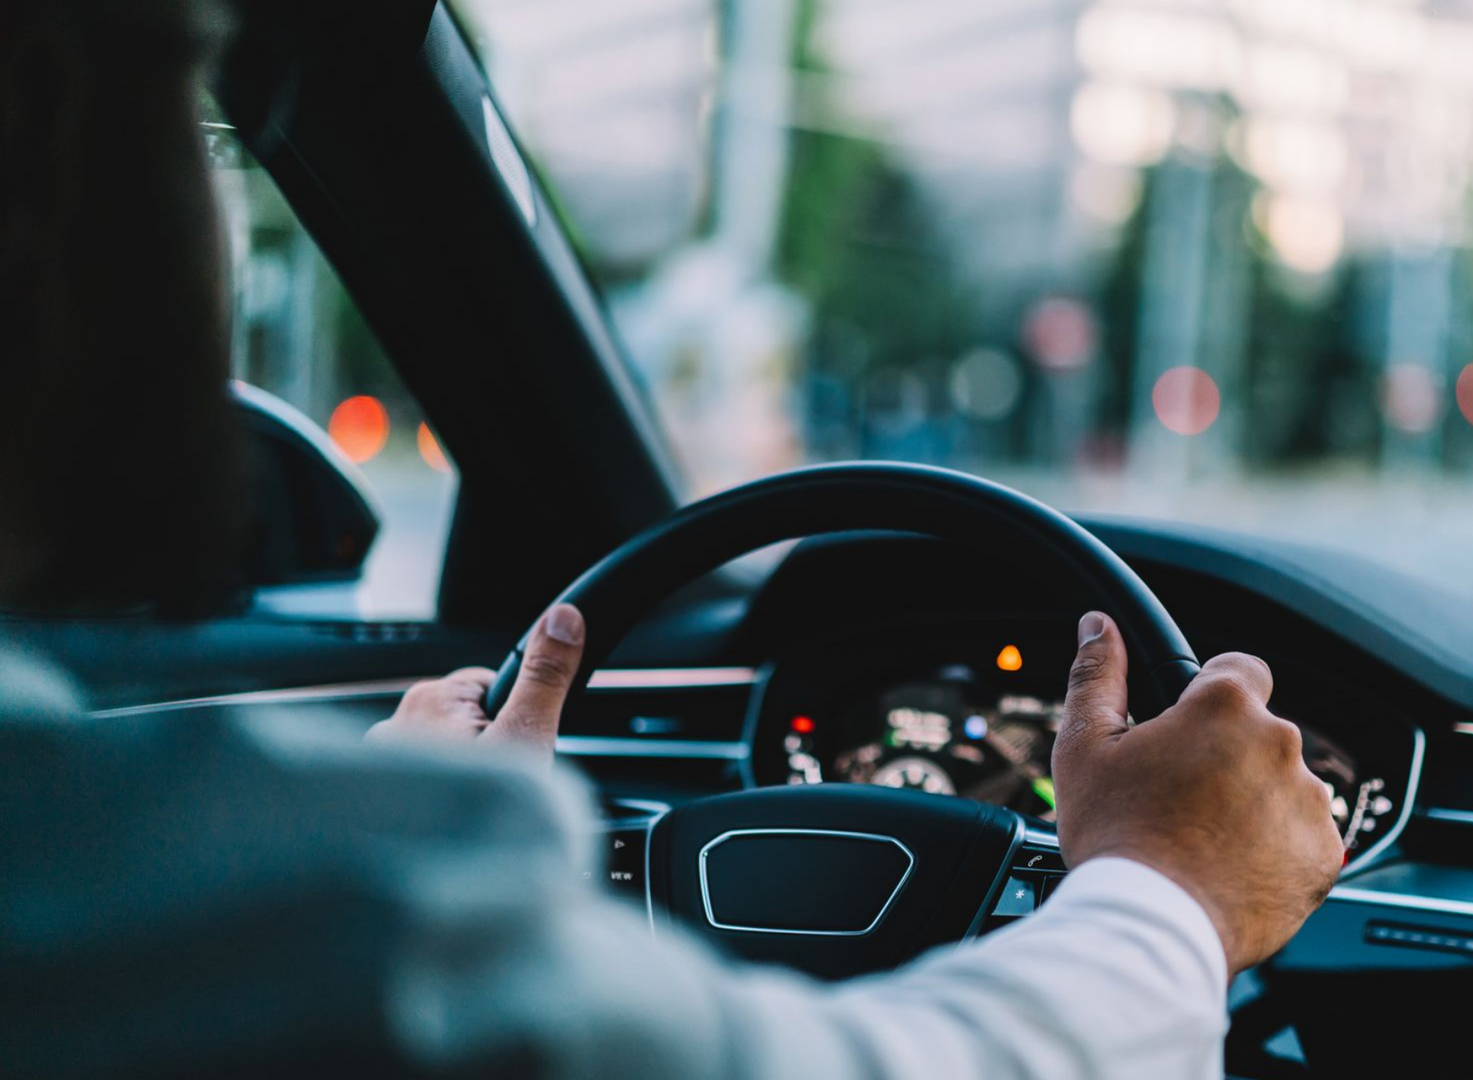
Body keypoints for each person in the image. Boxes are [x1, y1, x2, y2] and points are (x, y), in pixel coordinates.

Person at [0, 2, 1346, 1077]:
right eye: (190, 116)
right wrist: (1171, 891)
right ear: (61, 182)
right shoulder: (263, 911)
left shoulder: (135, 889)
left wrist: (371, 845)